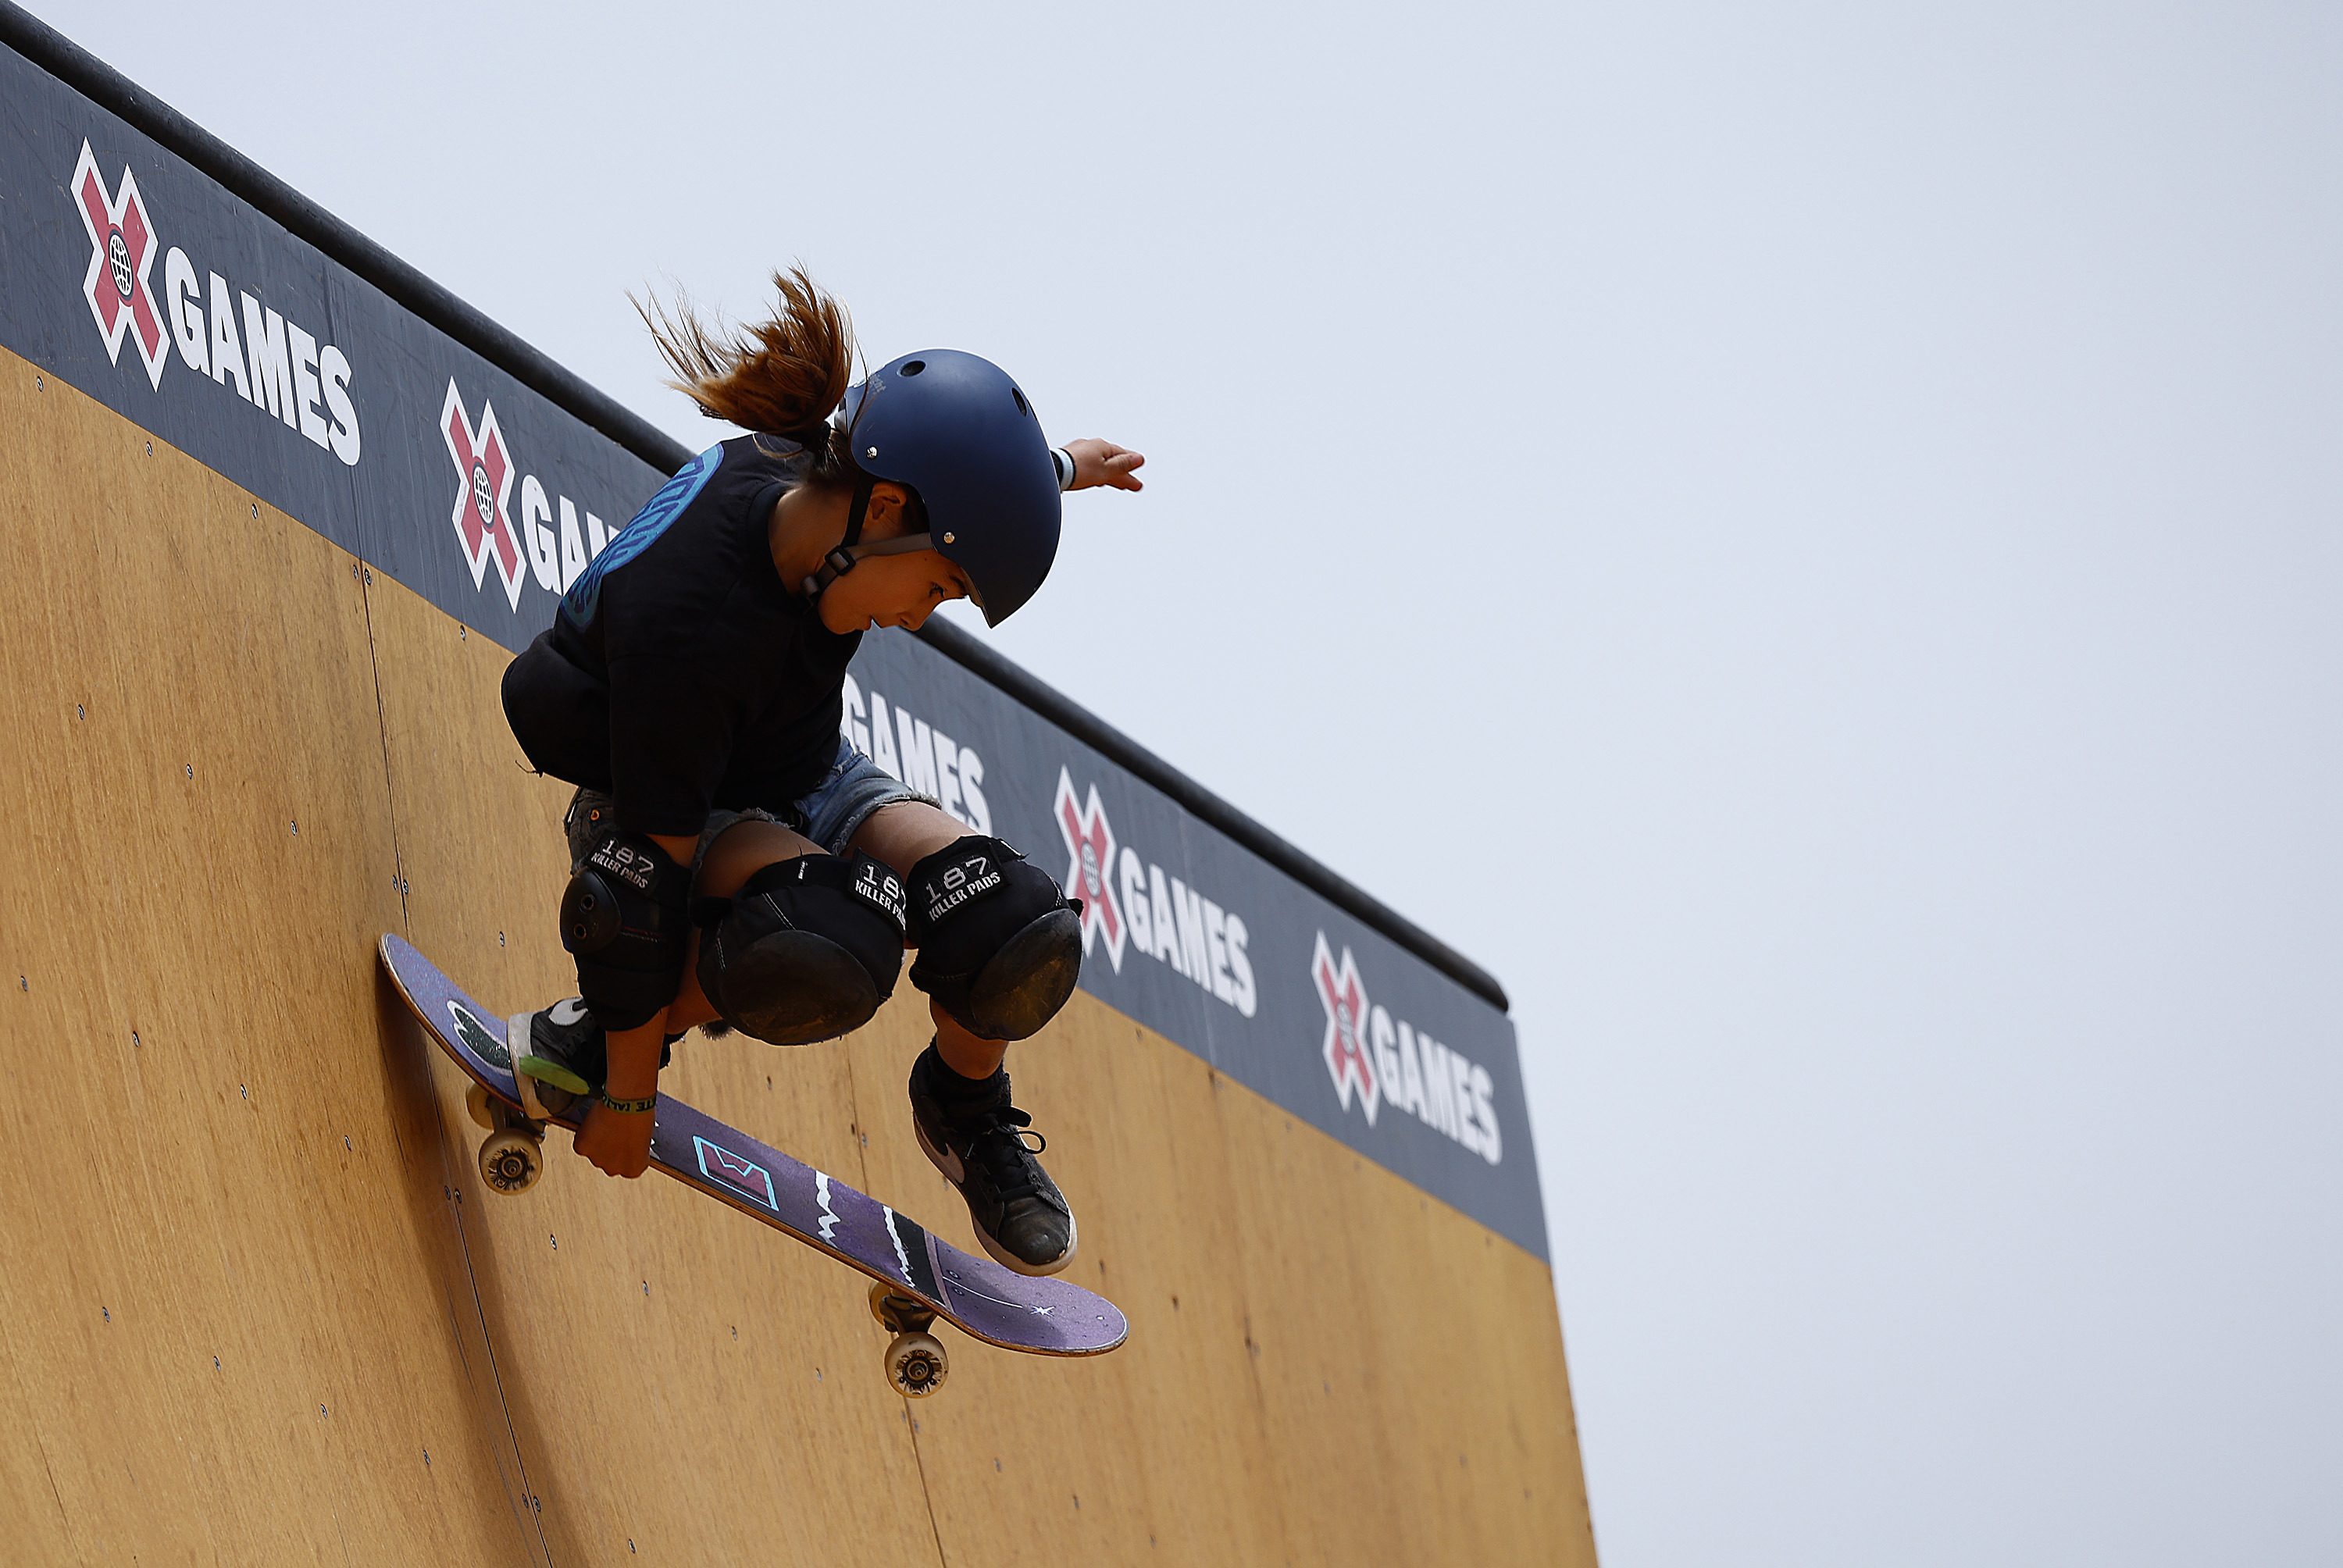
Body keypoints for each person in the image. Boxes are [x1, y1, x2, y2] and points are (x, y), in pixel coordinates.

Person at [498, 269, 1143, 1276]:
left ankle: (965, 1108)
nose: (922, 612)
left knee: (1014, 921)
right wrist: (627, 1097)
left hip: (800, 767)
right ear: (880, 513)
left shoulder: (837, 479)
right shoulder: (694, 623)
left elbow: (944, 462)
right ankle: (595, 1037)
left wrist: (1058, 469)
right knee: (828, 941)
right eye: (938, 584)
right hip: (667, 802)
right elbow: (645, 884)